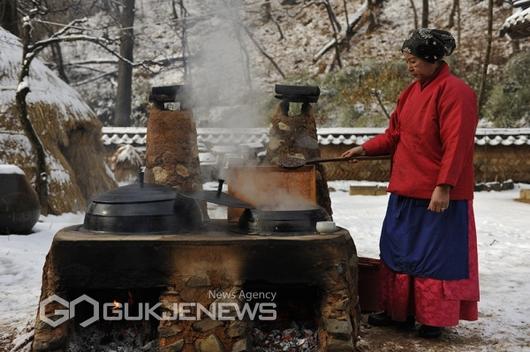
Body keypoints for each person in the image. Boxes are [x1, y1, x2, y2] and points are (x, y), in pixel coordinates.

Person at [342, 28, 479, 338]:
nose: (409, 66)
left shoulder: (456, 92)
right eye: (407, 61)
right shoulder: (410, 92)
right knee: (397, 252)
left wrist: (444, 186)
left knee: (434, 258)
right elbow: (395, 135)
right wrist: (366, 148)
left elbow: (457, 144)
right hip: (405, 189)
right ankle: (399, 313)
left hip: (438, 194)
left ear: (432, 59)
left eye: (413, 60)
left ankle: (432, 320)